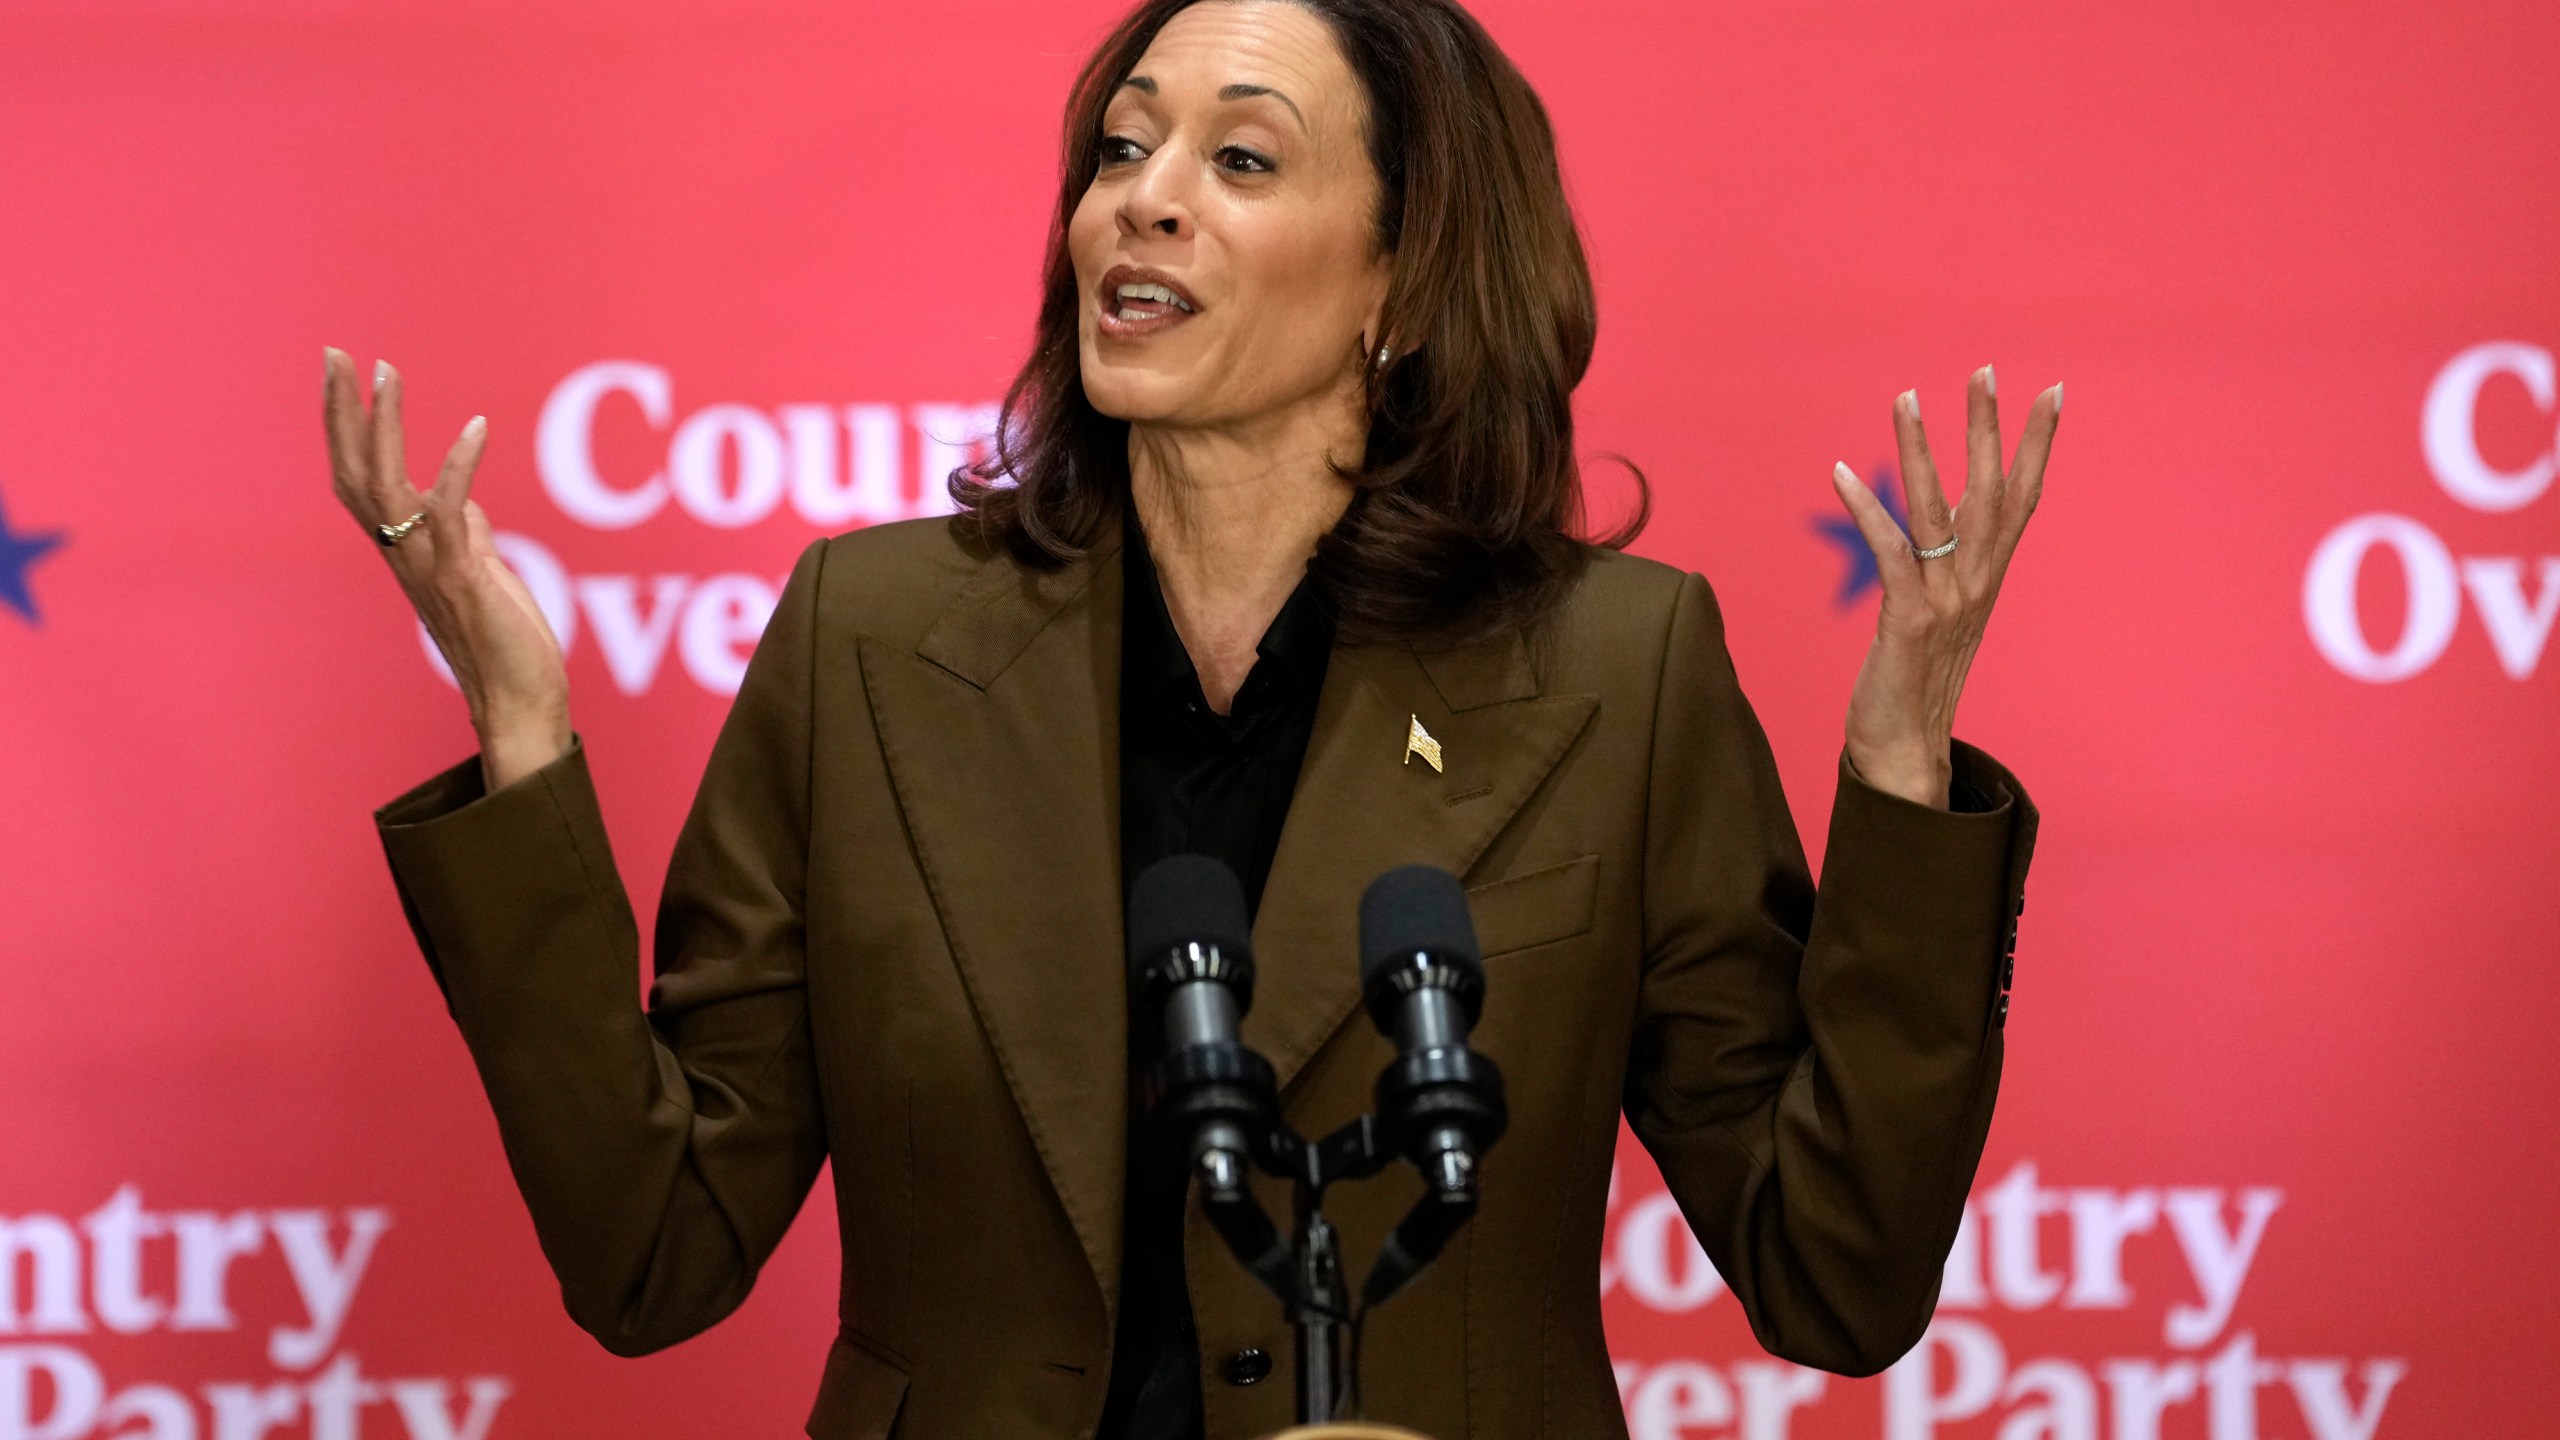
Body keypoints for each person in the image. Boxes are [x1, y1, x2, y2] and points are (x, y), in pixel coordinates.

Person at [322, 0, 2055, 1436]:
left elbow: (1835, 1272)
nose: (1140, 202)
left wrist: (1903, 775)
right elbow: (655, 1251)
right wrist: (526, 746)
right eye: (1122, 146)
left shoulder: (1618, 665)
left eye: (1239, 158)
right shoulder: (874, 634)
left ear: (1401, 280)